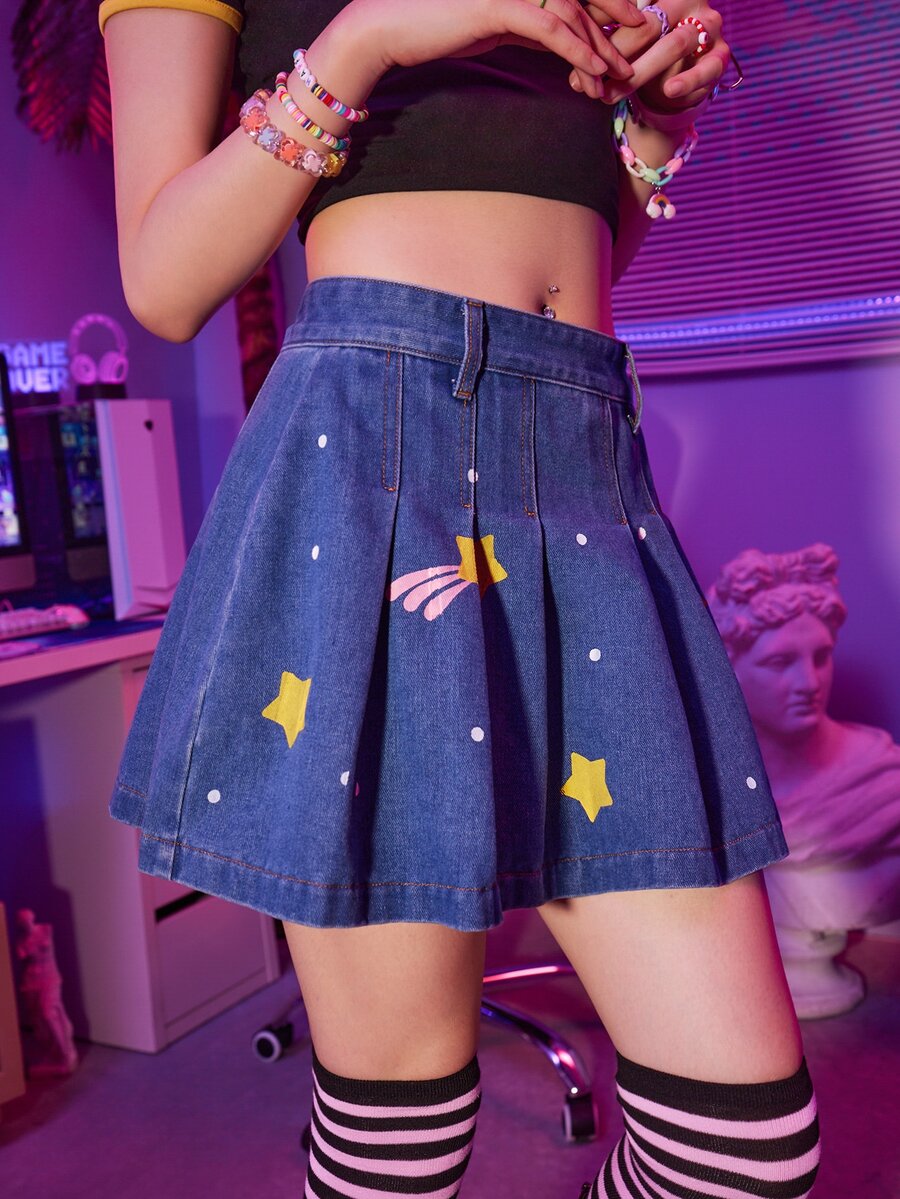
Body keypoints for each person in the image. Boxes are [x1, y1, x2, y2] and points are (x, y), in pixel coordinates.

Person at [98, 1, 822, 1195]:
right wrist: (368, 37)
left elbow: (572, 242)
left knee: (740, 1148)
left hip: (582, 460)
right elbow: (165, 281)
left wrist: (652, 124)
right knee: (400, 1138)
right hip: (378, 465)